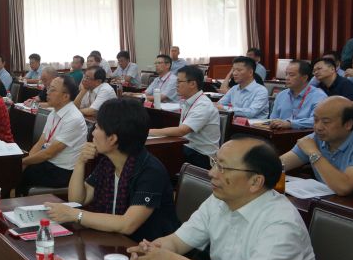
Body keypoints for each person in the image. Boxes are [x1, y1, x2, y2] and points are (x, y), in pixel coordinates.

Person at [129, 138, 318, 260]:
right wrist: (152, 252)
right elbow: (177, 242)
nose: (211, 173)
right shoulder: (220, 199)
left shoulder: (281, 223)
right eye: (215, 162)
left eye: (223, 168)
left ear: (255, 182)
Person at [46, 98, 180, 242]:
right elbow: (78, 199)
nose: (93, 133)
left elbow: (127, 225)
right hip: (115, 240)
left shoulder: (150, 172)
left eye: (97, 128)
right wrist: (80, 162)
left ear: (112, 139)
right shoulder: (108, 163)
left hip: (148, 247)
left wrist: (75, 215)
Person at [18, 76, 87, 195]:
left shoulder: (73, 119)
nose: (47, 92)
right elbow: (40, 143)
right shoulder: (54, 112)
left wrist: (24, 162)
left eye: (52, 90)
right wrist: (26, 161)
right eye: (49, 89)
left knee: (17, 174)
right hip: (49, 163)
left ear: (66, 96)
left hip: (63, 171)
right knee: (13, 170)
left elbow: (49, 153)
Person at [281, 96, 353, 196]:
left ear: (348, 124)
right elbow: (279, 164)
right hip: (327, 199)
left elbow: (344, 187)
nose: (318, 127)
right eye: (315, 120)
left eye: (326, 122)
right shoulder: (316, 138)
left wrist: (314, 153)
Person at [149, 65, 220, 170]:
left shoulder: (203, 105)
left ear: (192, 84)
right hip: (188, 148)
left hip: (202, 156)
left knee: (159, 155)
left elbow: (182, 131)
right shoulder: (188, 101)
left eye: (179, 82)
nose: (176, 85)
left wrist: (149, 132)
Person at [269, 60, 327, 129]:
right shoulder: (281, 95)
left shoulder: (319, 96)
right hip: (279, 133)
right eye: (286, 74)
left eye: (291, 75)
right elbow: (273, 119)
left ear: (304, 78)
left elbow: (316, 121)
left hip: (305, 134)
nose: (287, 78)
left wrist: (290, 124)